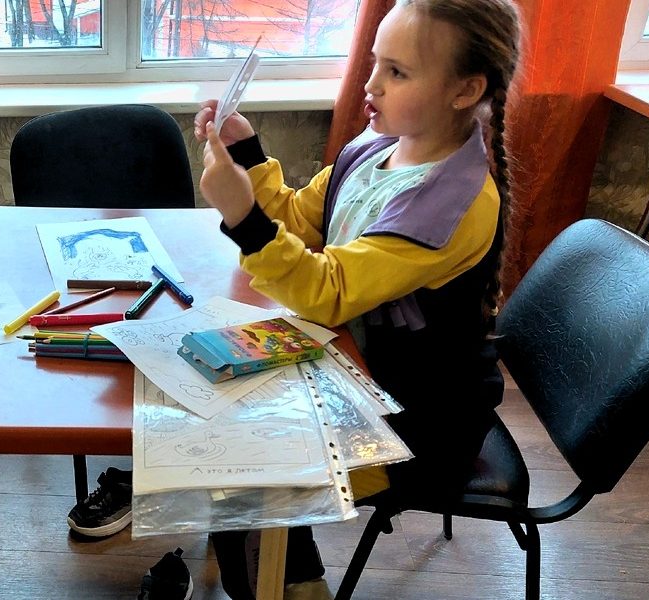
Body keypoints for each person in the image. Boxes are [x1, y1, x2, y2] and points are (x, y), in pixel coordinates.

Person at [140, 1, 524, 598]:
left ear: (465, 90)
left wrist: (243, 219)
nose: (371, 85)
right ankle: (281, 563)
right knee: (210, 418)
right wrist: (248, 154)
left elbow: (327, 293)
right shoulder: (378, 147)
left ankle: (292, 580)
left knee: (234, 460)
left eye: (397, 72)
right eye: (375, 62)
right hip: (350, 367)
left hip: (414, 420)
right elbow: (299, 219)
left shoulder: (453, 205)